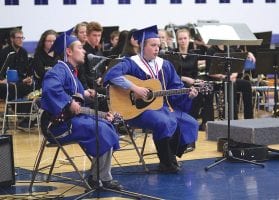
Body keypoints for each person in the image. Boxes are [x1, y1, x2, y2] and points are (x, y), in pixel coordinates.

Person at [104, 25, 199, 173]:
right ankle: (166, 162)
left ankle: (170, 157)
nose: (157, 48)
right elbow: (112, 76)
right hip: (138, 110)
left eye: (158, 45)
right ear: (142, 46)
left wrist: (188, 94)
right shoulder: (130, 63)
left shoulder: (164, 65)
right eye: (153, 45)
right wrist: (135, 88)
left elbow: (175, 88)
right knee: (164, 121)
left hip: (163, 107)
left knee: (190, 123)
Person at [40, 30, 123, 190]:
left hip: (72, 120)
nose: (84, 50)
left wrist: (87, 94)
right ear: (68, 52)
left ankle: (98, 176)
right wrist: (68, 101)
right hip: (57, 126)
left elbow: (76, 92)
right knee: (100, 129)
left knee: (106, 124)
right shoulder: (58, 70)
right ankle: (100, 178)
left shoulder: (70, 71)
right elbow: (50, 89)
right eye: (80, 47)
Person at [207, 45, 254, 119]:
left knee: (247, 84)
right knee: (232, 85)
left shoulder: (230, 50)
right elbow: (210, 72)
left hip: (230, 79)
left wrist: (234, 75)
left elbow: (236, 68)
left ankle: (249, 118)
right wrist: (224, 77)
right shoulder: (211, 50)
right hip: (217, 80)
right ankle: (233, 118)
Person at [0, 28, 34, 129]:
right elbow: (2, 70)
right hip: (6, 83)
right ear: (12, 39)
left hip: (20, 82)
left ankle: (25, 119)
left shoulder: (23, 52)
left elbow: (27, 70)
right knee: (10, 88)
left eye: (22, 38)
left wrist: (29, 78)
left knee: (32, 87)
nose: (20, 40)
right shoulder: (4, 52)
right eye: (18, 38)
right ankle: (21, 117)